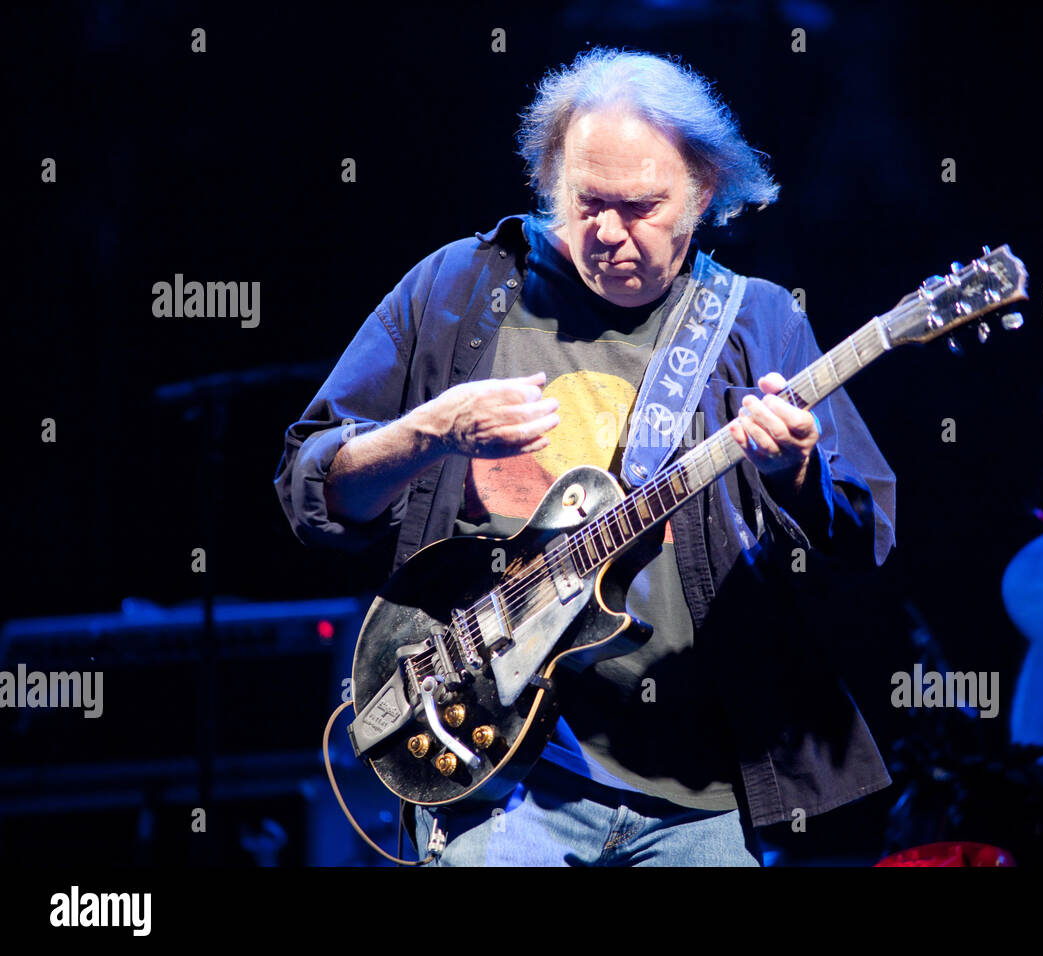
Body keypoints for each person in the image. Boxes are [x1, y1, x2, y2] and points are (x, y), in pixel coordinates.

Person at [275, 48, 897, 866]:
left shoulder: (759, 320)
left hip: (700, 797)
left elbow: (865, 537)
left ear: (704, 195)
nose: (606, 234)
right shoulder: (457, 290)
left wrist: (796, 473)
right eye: (585, 202)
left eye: (638, 207)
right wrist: (429, 430)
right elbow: (311, 490)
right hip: (505, 775)